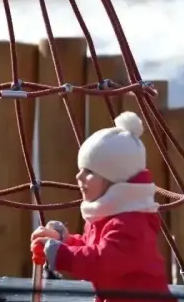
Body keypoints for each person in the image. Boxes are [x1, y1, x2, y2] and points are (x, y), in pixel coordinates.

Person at [30, 111, 173, 302]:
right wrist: (64, 241)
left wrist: (63, 255)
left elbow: (101, 262)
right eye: (80, 170)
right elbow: (92, 248)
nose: (78, 177)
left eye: (89, 172)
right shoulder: (109, 216)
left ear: (114, 180)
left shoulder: (130, 223)